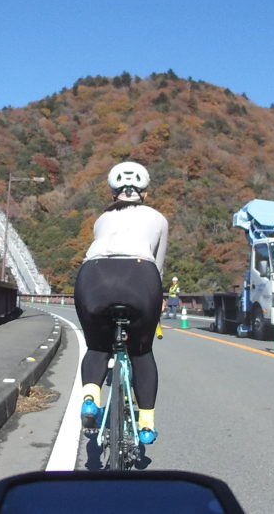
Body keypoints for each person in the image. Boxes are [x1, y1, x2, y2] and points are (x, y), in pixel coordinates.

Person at [74, 161, 168, 445]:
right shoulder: (158, 219)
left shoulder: (101, 220)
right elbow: (157, 266)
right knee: (141, 353)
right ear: (145, 193)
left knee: (97, 346)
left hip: (93, 275)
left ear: (112, 193)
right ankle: (146, 424)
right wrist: (157, 301)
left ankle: (90, 398)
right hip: (141, 276)